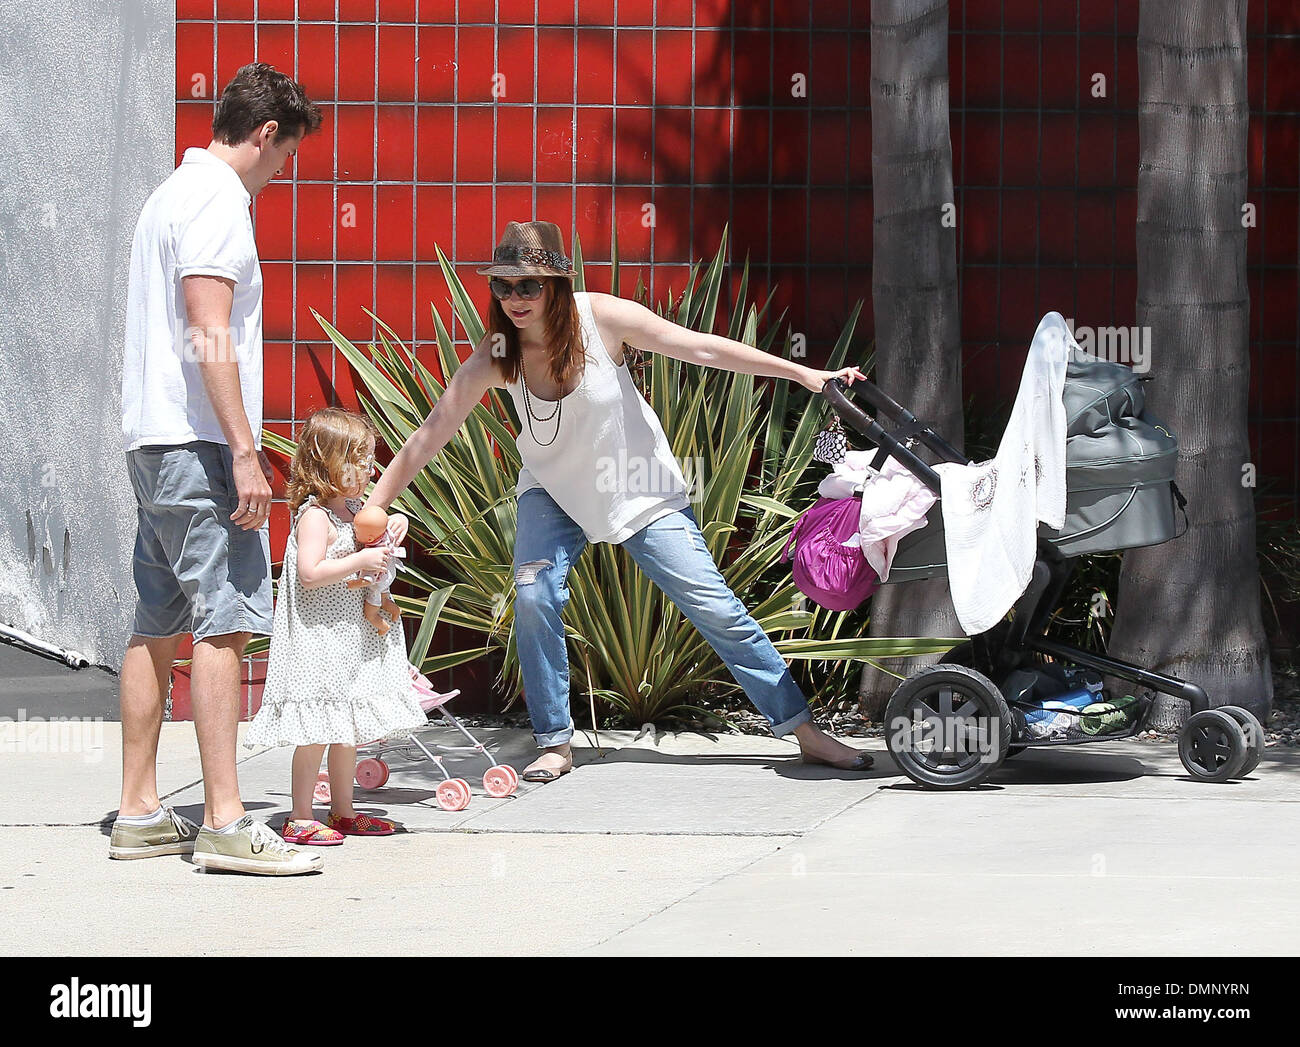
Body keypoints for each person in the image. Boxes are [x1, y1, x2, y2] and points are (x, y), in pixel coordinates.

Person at [364, 220, 874, 783]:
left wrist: (803, 373)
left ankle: (803, 731)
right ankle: (555, 741)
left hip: (636, 487)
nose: (515, 299)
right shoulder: (500, 351)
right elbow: (434, 429)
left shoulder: (600, 319)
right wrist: (378, 502)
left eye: (529, 286)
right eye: (504, 287)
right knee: (533, 596)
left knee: (715, 607)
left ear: (556, 284)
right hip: (552, 490)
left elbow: (700, 347)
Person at [111, 63, 324, 874]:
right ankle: (227, 821)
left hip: (151, 441)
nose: (283, 173)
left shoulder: (167, 195)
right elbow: (209, 328)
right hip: (199, 445)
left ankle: (137, 811)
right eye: (286, 155)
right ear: (266, 133)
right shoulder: (218, 204)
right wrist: (245, 448)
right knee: (224, 623)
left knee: (156, 622)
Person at [243, 408, 427, 843]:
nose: (366, 469)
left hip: (349, 638)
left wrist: (393, 523)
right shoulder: (315, 517)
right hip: (318, 639)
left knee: (345, 730)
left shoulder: (355, 511)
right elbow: (309, 572)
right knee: (315, 732)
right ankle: (300, 815)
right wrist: (359, 560)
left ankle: (343, 810)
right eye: (356, 460)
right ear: (325, 462)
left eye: (368, 460)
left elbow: (373, 533)